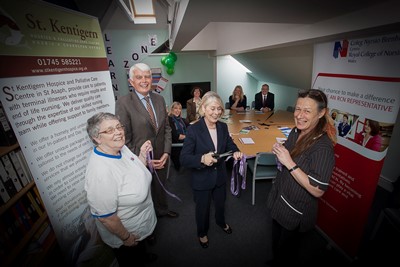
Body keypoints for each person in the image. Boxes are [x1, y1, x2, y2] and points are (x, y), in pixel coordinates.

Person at [266, 89, 336, 265]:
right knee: (276, 244)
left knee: (287, 253)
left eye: (307, 111)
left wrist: (288, 162)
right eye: (298, 109)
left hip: (295, 211)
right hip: (280, 198)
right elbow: (291, 154)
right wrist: (281, 151)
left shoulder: (323, 148)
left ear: (322, 113)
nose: (299, 115)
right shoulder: (296, 132)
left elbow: (318, 189)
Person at [84, 112, 157, 267]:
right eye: (109, 130)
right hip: (126, 235)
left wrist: (143, 155)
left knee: (140, 254)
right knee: (132, 260)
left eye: (118, 127)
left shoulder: (120, 148)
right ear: (97, 138)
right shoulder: (100, 173)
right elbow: (106, 217)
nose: (118, 132)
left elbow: (135, 169)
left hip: (141, 225)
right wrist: (126, 238)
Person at [180, 91, 243, 249]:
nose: (216, 113)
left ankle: (221, 222)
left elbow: (229, 144)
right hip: (201, 179)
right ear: (203, 109)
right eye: (212, 109)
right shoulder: (193, 129)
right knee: (203, 209)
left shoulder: (222, 126)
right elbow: (184, 158)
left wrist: (235, 151)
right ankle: (202, 233)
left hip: (220, 176)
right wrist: (202, 159)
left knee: (221, 204)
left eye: (219, 109)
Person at [115, 63, 179, 219]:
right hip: (139, 159)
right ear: (131, 82)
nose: (144, 80)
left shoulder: (159, 99)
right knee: (144, 192)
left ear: (152, 79)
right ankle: (149, 222)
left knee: (161, 187)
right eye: (139, 77)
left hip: (161, 157)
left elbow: (167, 129)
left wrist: (166, 152)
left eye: (147, 76)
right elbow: (124, 139)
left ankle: (162, 210)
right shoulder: (123, 103)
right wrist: (142, 159)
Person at [168, 101, 189, 171]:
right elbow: (176, 136)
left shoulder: (182, 120)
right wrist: (188, 137)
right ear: (172, 109)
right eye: (176, 108)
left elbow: (190, 129)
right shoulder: (169, 120)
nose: (178, 110)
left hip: (183, 145)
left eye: (179, 109)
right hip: (175, 147)